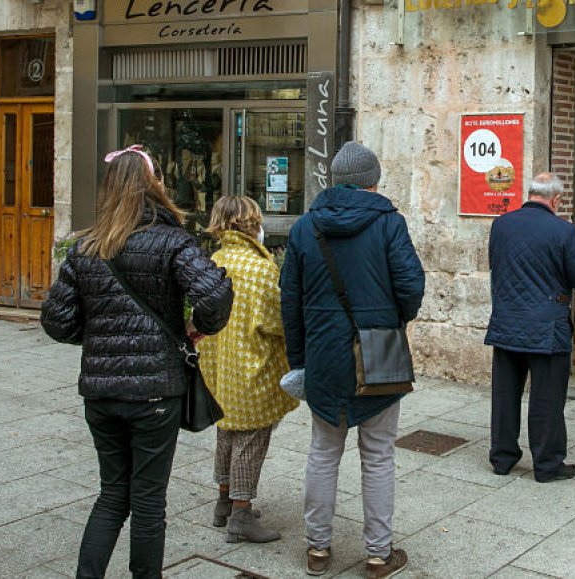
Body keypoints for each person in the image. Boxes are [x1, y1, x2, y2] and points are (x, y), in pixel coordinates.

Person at [41, 145, 233, 579]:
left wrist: (97, 339)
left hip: (102, 392)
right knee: (147, 501)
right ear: (153, 186)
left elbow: (56, 320)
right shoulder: (171, 240)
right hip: (154, 393)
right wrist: (197, 327)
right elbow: (215, 295)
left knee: (111, 494)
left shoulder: (85, 247)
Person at [280, 141, 425, 579]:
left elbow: (290, 299)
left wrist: (299, 358)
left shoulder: (306, 227)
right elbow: (411, 286)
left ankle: (317, 550)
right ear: (373, 183)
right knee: (378, 454)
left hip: (324, 352)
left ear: (335, 182)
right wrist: (393, 320)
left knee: (323, 451)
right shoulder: (389, 223)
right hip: (379, 352)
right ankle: (379, 555)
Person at [484, 173, 575, 483]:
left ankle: (502, 458)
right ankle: (548, 464)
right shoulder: (564, 231)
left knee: (505, 395)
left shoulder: (501, 225)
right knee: (547, 399)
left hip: (507, 322)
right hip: (547, 327)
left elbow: (496, 266)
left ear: (531, 194)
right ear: (555, 200)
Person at [198, 195, 298, 543]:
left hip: (220, 364)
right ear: (250, 223)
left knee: (226, 430)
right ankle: (241, 513)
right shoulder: (259, 268)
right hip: (252, 364)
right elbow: (276, 321)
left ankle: (223, 503)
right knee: (251, 436)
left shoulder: (216, 260)